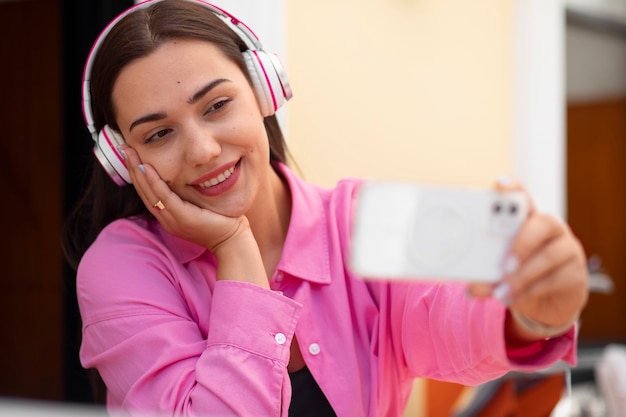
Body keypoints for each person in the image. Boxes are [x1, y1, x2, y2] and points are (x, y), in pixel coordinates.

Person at [63, 0, 589, 416]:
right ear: (124, 160)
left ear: (265, 90)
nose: (201, 150)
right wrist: (234, 250)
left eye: (217, 105)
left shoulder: (362, 219)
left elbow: (454, 318)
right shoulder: (123, 266)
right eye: (159, 134)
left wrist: (531, 313)